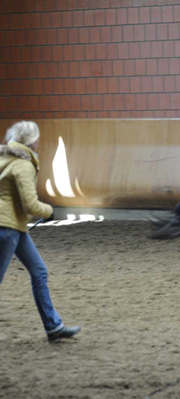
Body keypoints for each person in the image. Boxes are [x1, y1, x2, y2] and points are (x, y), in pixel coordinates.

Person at [0, 121, 81, 342]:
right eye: (36, 138)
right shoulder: (23, 165)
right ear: (31, 141)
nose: (38, 142)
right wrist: (49, 210)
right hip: (7, 228)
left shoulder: (5, 157)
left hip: (14, 226)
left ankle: (53, 327)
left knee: (39, 271)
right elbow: (30, 204)